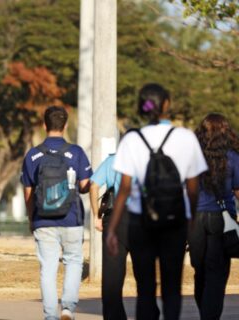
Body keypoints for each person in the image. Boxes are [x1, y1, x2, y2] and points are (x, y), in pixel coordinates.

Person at [106, 83, 208, 320]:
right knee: (172, 287)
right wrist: (191, 218)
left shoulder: (132, 139)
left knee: (146, 289)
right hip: (175, 220)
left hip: (140, 222)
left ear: (141, 107)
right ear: (166, 104)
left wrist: (112, 228)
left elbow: (124, 189)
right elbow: (193, 188)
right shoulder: (185, 138)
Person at [22, 106, 92, 320]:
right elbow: (84, 185)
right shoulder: (77, 152)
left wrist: (31, 217)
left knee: (48, 268)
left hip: (43, 220)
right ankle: (68, 309)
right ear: (65, 125)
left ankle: (50, 316)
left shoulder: (33, 155)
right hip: (72, 218)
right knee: (73, 261)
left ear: (44, 125)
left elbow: (28, 191)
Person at [188, 113, 239, 319]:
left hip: (194, 219)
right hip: (222, 219)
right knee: (216, 274)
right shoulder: (233, 157)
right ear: (225, 132)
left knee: (200, 271)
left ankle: (205, 313)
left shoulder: (191, 157)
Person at [90, 153, 135, 320]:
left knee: (111, 278)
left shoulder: (112, 160)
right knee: (145, 277)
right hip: (141, 221)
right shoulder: (147, 159)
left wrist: (96, 216)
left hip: (114, 220)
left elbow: (93, 185)